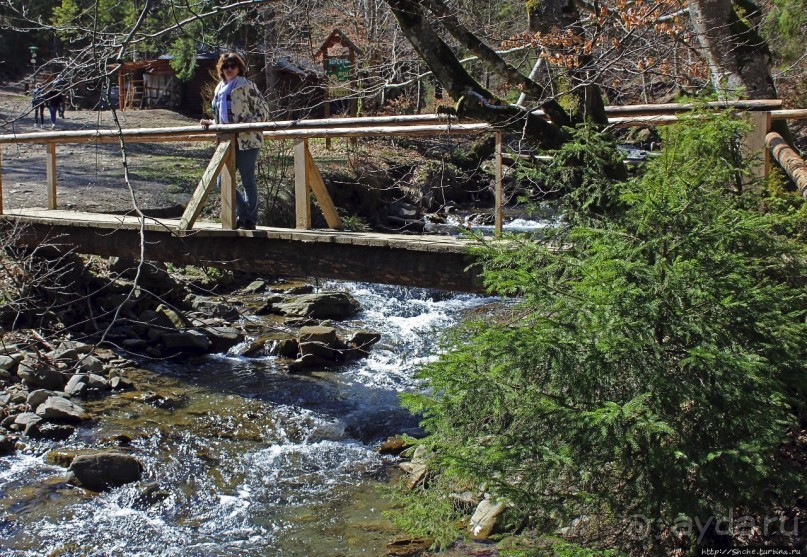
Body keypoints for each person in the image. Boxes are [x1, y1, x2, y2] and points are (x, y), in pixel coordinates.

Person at [200, 51, 270, 230]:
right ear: (221, 69)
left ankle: (250, 220)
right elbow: (223, 117)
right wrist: (212, 123)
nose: (229, 69)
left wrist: (248, 123)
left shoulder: (247, 85)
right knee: (221, 181)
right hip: (226, 141)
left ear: (239, 68)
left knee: (247, 180)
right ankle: (244, 212)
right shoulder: (219, 89)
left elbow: (263, 111)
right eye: (226, 66)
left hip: (247, 140)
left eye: (233, 66)